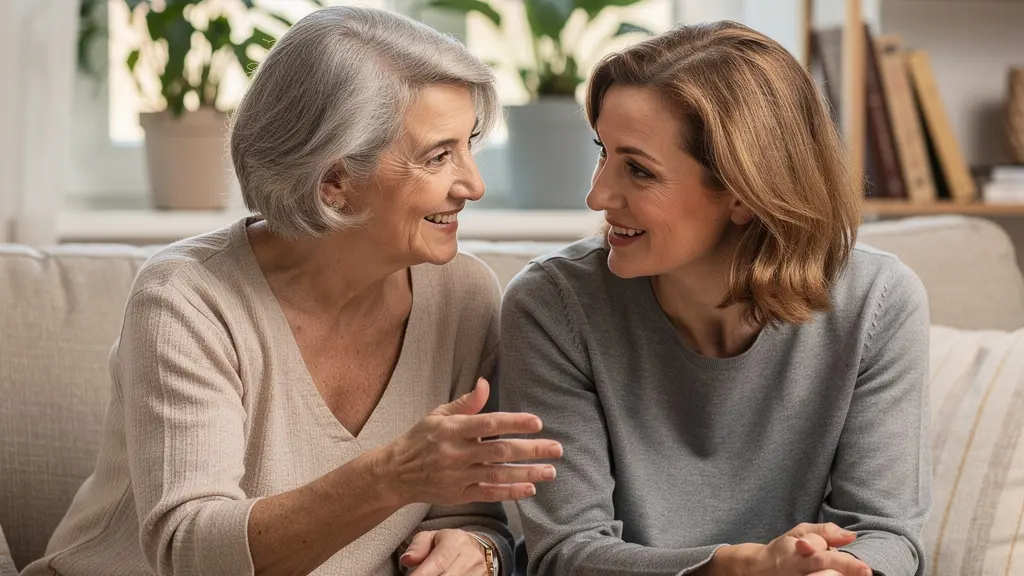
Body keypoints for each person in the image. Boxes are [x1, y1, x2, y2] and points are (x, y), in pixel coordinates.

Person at [23, 7, 562, 576]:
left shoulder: (463, 295)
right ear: (334, 184)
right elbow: (189, 550)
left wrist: (475, 547)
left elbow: (466, 511)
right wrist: (391, 475)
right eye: (438, 156)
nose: (474, 185)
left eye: (470, 143)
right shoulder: (187, 299)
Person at [500, 21, 931, 576]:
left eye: (638, 169)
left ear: (743, 193)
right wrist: (737, 567)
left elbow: (885, 534)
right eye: (602, 153)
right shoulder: (553, 306)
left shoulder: (879, 303)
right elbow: (565, 553)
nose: (597, 194)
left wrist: (827, 571)